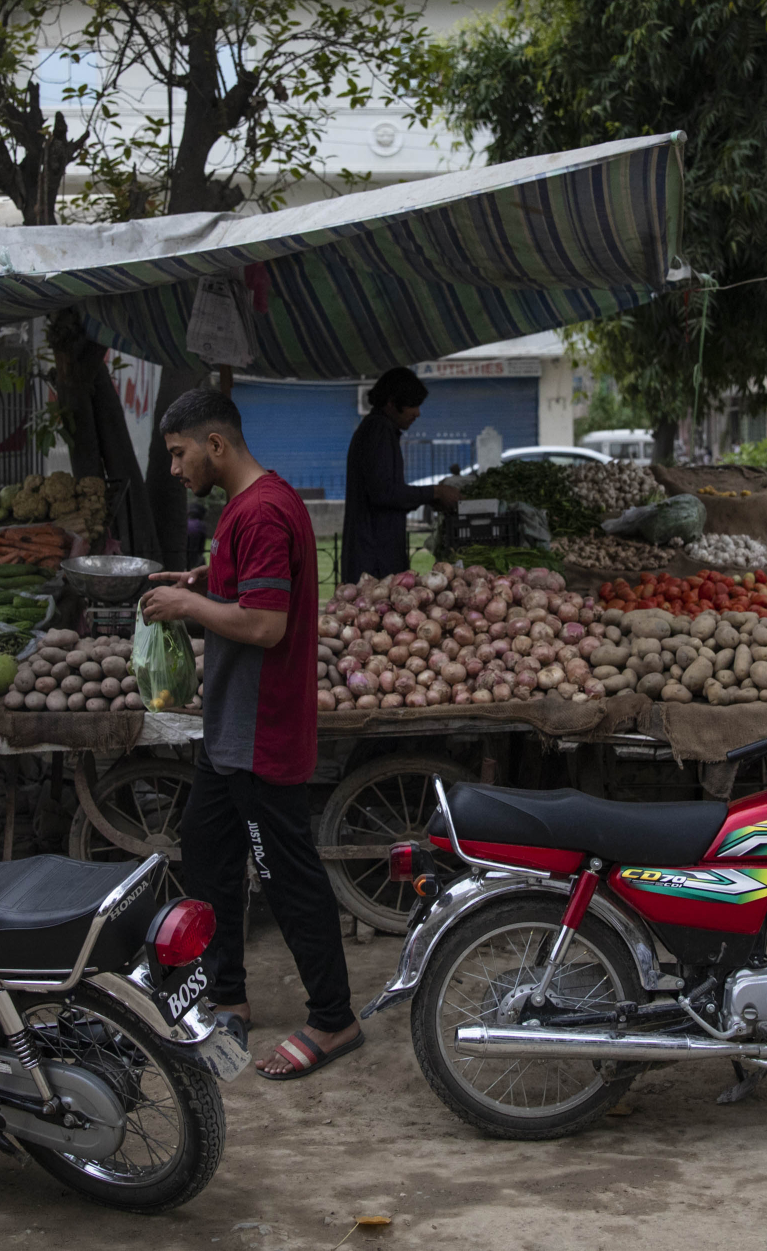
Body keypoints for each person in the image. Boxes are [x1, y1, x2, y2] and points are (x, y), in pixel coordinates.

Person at [140, 388, 361, 1081]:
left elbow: (267, 625)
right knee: (206, 854)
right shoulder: (251, 506)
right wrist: (204, 579)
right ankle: (225, 994)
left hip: (261, 734)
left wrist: (188, 604)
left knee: (288, 875)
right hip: (230, 735)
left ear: (215, 445)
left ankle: (333, 1017)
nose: (174, 469)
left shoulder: (262, 510)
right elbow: (253, 584)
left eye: (179, 454)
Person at [341, 366, 459, 581]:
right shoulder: (379, 430)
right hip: (374, 558)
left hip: (374, 552)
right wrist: (435, 492)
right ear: (392, 402)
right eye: (412, 405)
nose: (417, 413)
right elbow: (384, 492)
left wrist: (430, 497)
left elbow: (386, 489)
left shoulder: (377, 429)